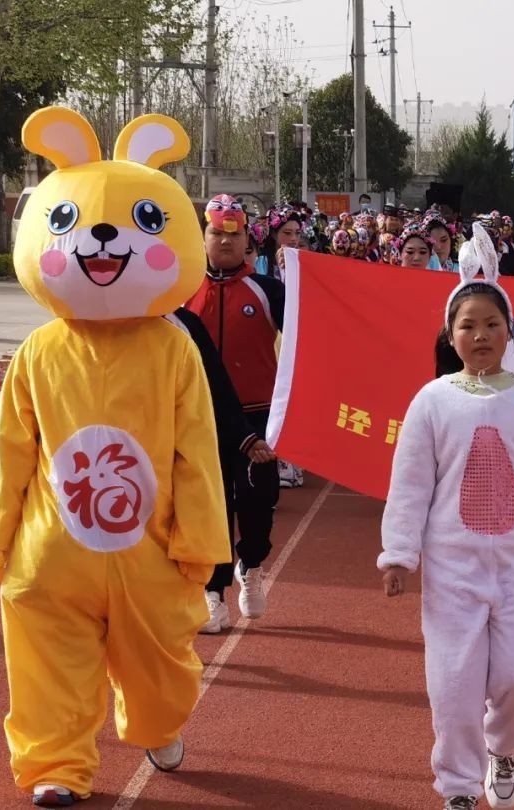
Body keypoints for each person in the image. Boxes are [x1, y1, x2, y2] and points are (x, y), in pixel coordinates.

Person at [0, 107, 230, 807]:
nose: (103, 239)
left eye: (144, 222)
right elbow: (11, 448)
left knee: (161, 665)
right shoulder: (39, 351)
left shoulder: (173, 348)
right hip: (52, 549)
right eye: (69, 223)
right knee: (44, 660)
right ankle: (55, 765)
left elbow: (195, 450)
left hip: (148, 549)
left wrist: (201, 538)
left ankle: (157, 723)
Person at [379, 225, 514, 810]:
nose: (480, 335)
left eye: (492, 324)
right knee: (453, 684)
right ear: (451, 335)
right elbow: (410, 484)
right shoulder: (432, 400)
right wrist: (399, 553)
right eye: (468, 325)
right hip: (453, 570)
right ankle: (459, 787)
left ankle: (503, 747)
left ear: (510, 331)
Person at [185, 194, 284, 623]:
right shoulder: (182, 292)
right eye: (216, 233)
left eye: (234, 233)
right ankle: (214, 591)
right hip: (201, 417)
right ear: (202, 237)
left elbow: (312, 337)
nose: (225, 241)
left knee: (259, 501)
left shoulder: (269, 290)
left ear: (248, 240)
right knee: (211, 506)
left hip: (259, 415)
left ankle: (252, 565)